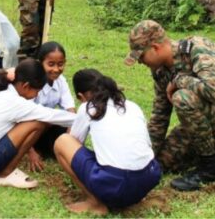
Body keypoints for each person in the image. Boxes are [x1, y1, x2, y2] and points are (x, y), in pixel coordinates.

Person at [124, 20, 215, 191]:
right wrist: (147, 158)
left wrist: (179, 80)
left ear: (155, 47)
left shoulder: (198, 49)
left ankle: (209, 168)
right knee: (163, 163)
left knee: (183, 98)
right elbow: (160, 115)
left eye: (141, 56)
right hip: (210, 119)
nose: (140, 62)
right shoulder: (160, 69)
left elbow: (213, 91)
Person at [53, 69, 161, 215]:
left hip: (116, 185)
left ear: (81, 96)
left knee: (62, 142)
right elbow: (148, 145)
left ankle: (95, 202)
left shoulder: (88, 107)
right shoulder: (132, 105)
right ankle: (135, 196)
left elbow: (75, 141)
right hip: (149, 177)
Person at [0, 58, 76, 189]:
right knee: (38, 123)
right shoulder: (16, 103)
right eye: (37, 91)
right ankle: (5, 174)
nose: (36, 95)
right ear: (25, 86)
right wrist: (86, 117)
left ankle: (0, 167)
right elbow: (51, 115)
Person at [25, 42, 75, 171]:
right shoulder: (32, 83)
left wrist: (70, 143)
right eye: (51, 64)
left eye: (60, 64)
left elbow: (71, 112)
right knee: (38, 124)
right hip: (29, 129)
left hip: (46, 126)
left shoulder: (60, 80)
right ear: (40, 63)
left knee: (75, 124)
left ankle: (54, 149)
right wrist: (30, 152)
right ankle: (31, 148)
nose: (56, 69)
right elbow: (22, 119)